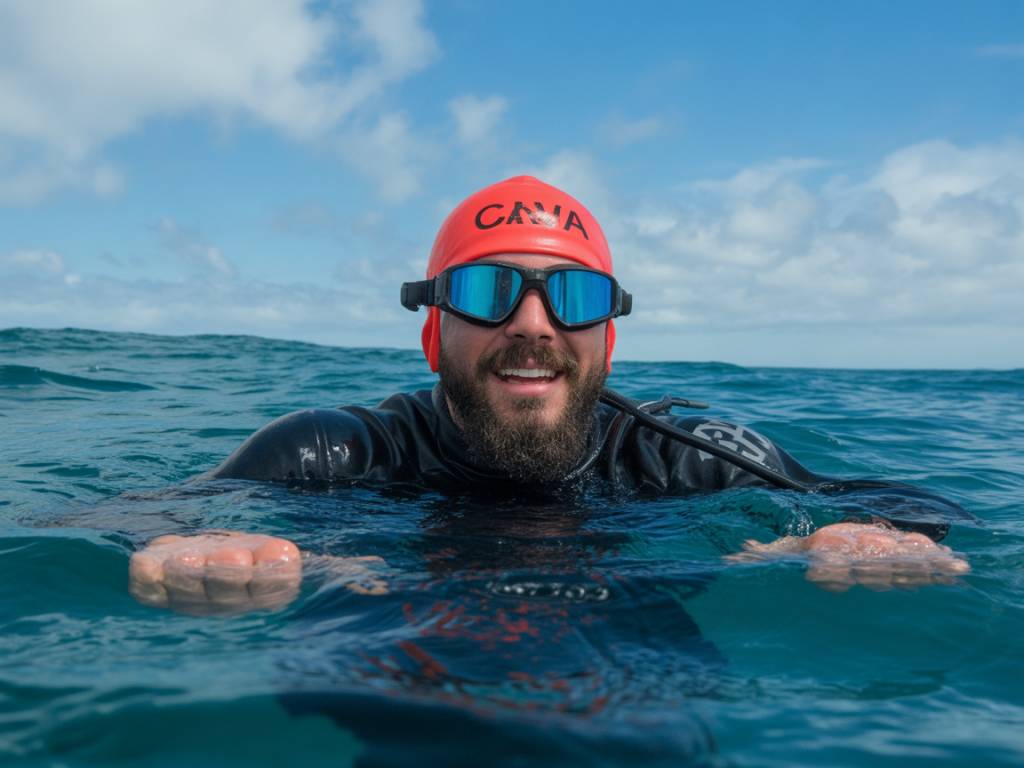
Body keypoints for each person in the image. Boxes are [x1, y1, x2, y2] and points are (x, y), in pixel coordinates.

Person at [129, 176, 970, 615]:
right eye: (491, 289)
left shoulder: (685, 457)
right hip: (403, 668)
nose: (533, 325)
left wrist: (851, 533)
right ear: (432, 334)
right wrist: (191, 543)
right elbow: (129, 518)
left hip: (622, 682)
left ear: (607, 339)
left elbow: (918, 509)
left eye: (571, 298)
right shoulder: (329, 450)